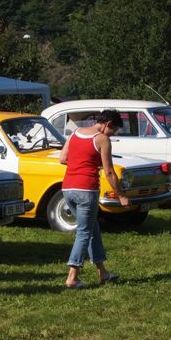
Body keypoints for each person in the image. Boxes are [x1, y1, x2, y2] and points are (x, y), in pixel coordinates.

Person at [59, 109, 130, 288]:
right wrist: (121, 195)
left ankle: (103, 273)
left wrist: (83, 162)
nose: (112, 135)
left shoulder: (75, 133)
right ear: (108, 124)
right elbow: (109, 172)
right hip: (86, 190)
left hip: (68, 188)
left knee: (92, 228)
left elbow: (63, 158)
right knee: (84, 232)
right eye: (113, 131)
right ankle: (72, 277)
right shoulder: (102, 139)